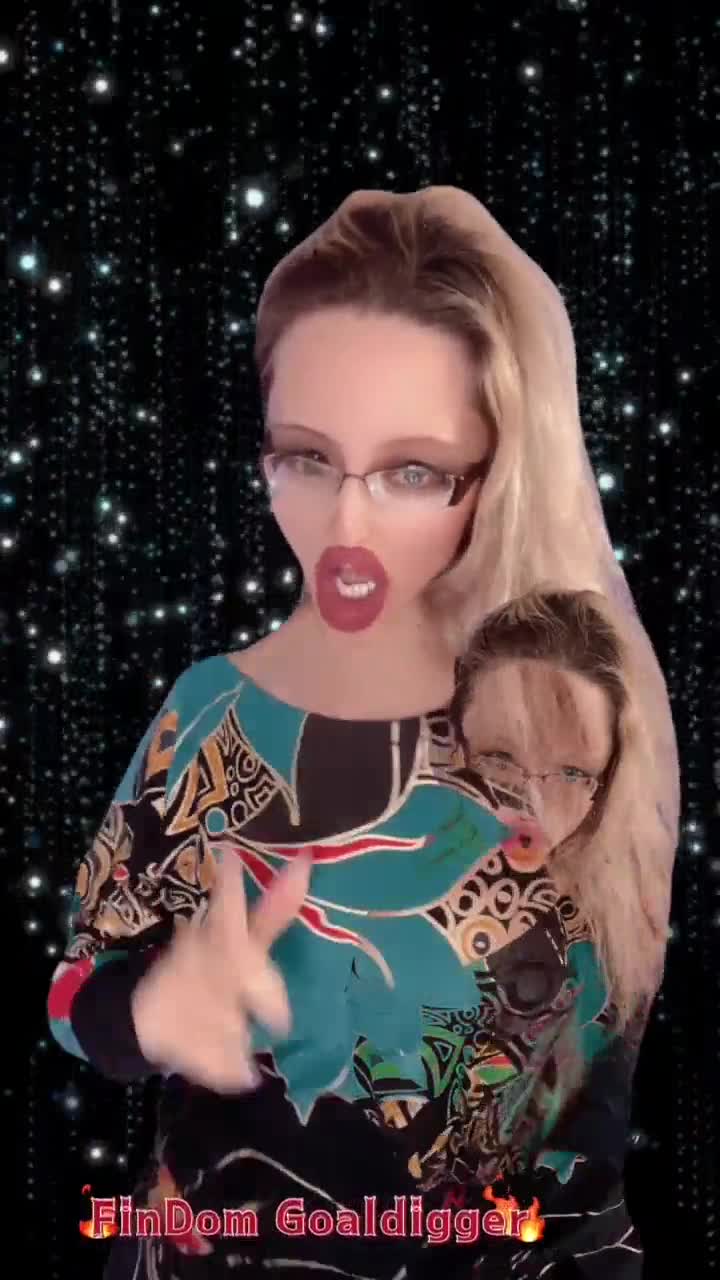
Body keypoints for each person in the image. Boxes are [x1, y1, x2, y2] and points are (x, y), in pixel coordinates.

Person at [46, 187, 679, 1279]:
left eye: (412, 472)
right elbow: (75, 986)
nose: (345, 525)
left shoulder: (557, 736)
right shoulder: (209, 714)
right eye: (306, 456)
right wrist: (146, 1013)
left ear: (497, 470)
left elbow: (589, 1135)